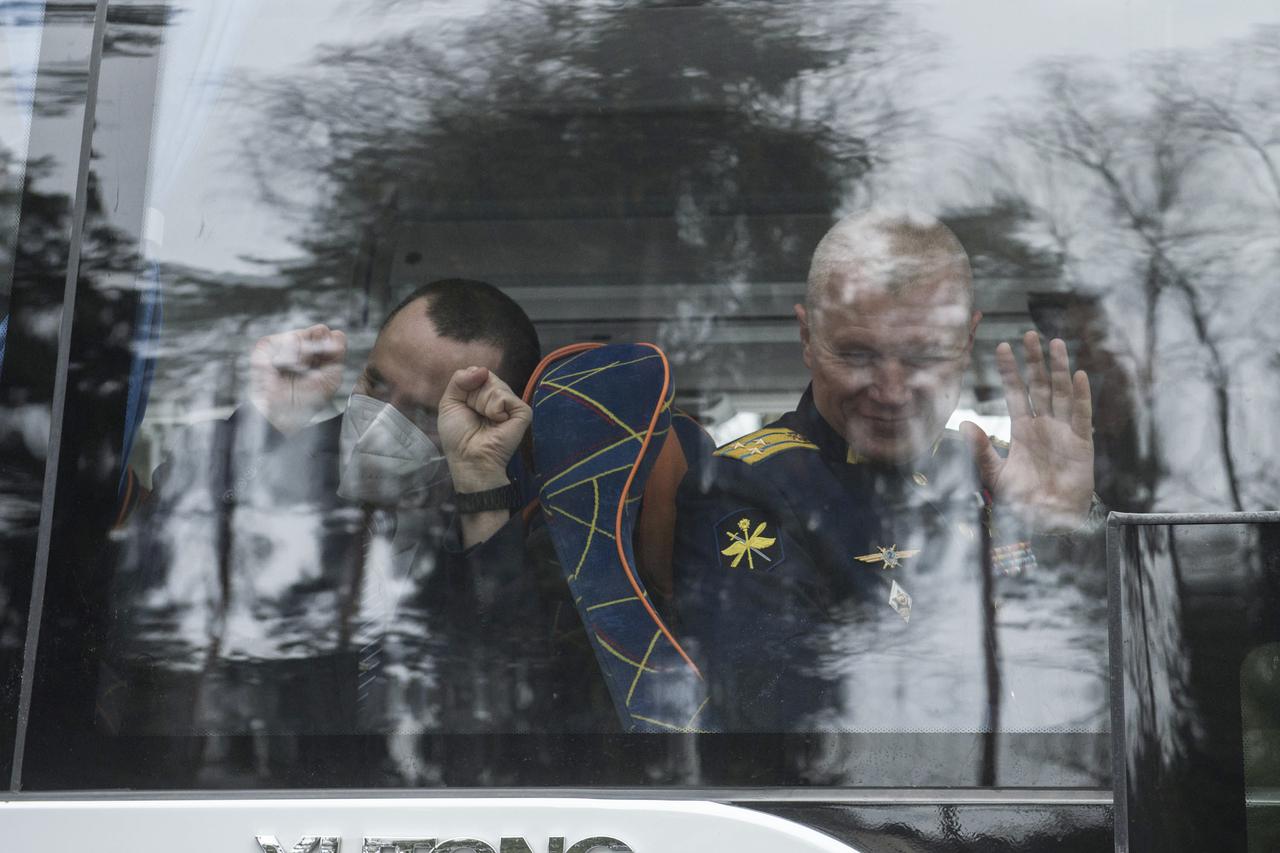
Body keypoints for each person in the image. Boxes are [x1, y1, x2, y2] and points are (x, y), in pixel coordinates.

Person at [103, 279, 608, 749]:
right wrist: (265, 425)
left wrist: (481, 493)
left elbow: (522, 702)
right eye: (376, 385)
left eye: (426, 413)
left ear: (490, 420)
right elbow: (137, 624)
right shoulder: (272, 461)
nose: (379, 426)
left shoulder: (533, 523)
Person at [672, 212, 1103, 732]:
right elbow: (793, 719)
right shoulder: (743, 487)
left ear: (967, 342)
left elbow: (1125, 679)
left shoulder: (998, 470)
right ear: (807, 337)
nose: (892, 392)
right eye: (857, 355)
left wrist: (1064, 527)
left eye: (924, 356)